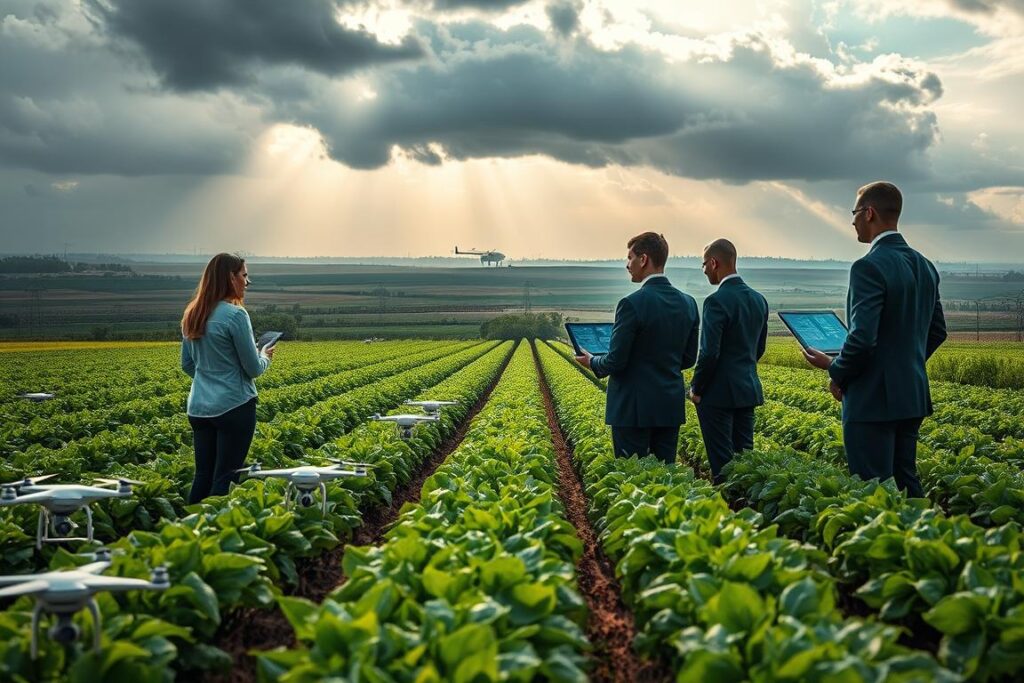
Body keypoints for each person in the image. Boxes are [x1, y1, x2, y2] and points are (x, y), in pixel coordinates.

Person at [803, 181, 946, 497]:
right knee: (907, 483)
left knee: (873, 491)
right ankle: (924, 541)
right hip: (912, 394)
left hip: (871, 401)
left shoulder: (868, 267)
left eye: (854, 213)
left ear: (869, 213)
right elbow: (938, 332)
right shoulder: (925, 266)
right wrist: (903, 367)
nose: (851, 220)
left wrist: (835, 369)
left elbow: (863, 339)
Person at [575, 232, 699, 464]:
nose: (627, 264)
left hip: (632, 409)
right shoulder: (689, 303)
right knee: (667, 480)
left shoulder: (631, 304)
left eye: (630, 257)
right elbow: (689, 359)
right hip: (668, 406)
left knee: (633, 480)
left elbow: (615, 361)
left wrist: (591, 361)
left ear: (643, 259)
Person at [180, 253, 275, 503]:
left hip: (199, 408)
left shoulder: (192, 313)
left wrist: (209, 379)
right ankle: (214, 532)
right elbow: (253, 368)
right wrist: (265, 356)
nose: (247, 281)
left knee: (202, 475)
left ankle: (190, 531)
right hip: (234, 405)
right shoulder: (235, 315)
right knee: (226, 477)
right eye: (244, 275)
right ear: (230, 278)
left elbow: (188, 364)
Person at [689, 239, 768, 482]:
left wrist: (697, 388)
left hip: (718, 395)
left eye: (704, 265)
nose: (704, 271)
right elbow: (759, 349)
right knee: (745, 461)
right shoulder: (758, 299)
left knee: (722, 464)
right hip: (747, 389)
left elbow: (709, 353)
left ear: (714, 263)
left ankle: (728, 513)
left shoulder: (715, 301)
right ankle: (747, 511)